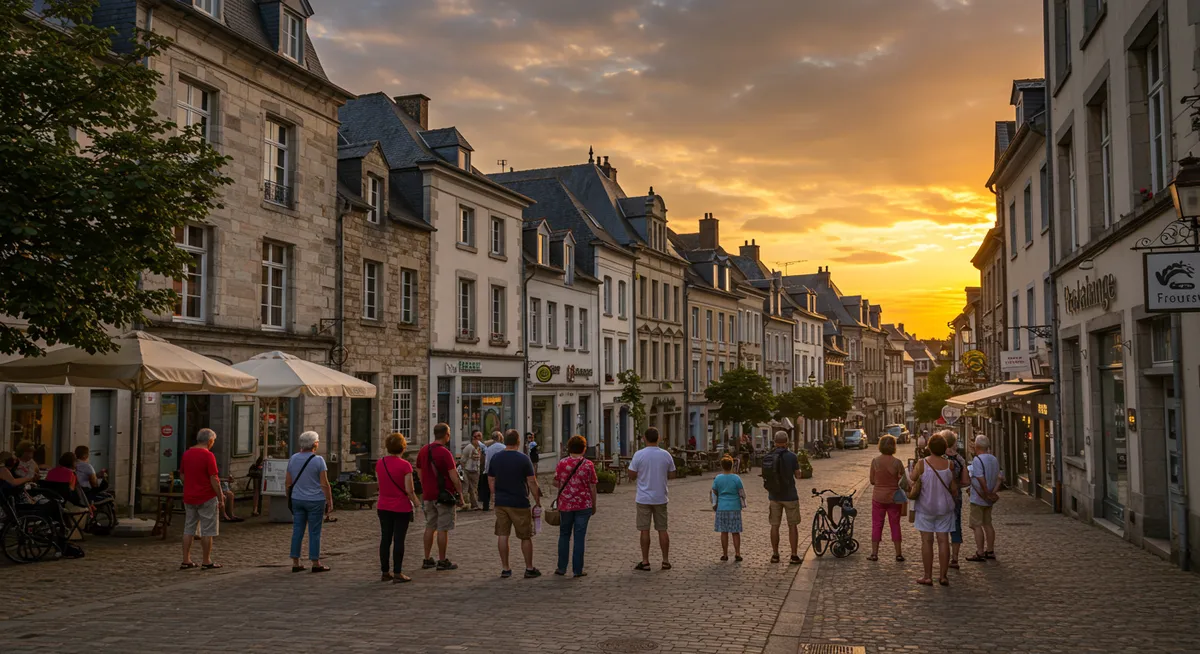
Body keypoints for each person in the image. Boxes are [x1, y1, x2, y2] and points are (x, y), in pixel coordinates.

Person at [489, 429, 543, 578]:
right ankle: (529, 568)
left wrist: (494, 495)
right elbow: (532, 482)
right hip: (519, 502)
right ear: (518, 442)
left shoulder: (496, 458)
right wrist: (537, 500)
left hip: (501, 502)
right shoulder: (523, 459)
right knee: (525, 536)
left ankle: (505, 568)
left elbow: (491, 479)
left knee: (502, 534)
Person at [909, 433, 956, 586]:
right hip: (944, 508)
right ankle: (943, 576)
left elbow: (912, 478)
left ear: (929, 447)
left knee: (927, 541)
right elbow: (953, 488)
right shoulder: (949, 465)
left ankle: (927, 576)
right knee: (943, 541)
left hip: (925, 507)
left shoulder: (922, 464)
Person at [418, 423, 464, 571]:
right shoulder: (445, 453)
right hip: (443, 495)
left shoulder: (424, 450)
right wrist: (460, 495)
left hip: (428, 494)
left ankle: (426, 558)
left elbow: (419, 470)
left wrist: (425, 484)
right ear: (446, 435)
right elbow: (454, 476)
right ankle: (442, 560)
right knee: (443, 528)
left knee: (430, 526)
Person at [628, 426, 675, 571]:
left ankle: (645, 561)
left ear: (644, 438)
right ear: (658, 438)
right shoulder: (665, 455)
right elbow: (673, 474)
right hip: (660, 497)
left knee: (644, 530)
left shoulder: (639, 455)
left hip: (643, 498)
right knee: (662, 529)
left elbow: (631, 474)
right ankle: (665, 560)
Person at [286, 431, 333, 573]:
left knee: (297, 530)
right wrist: (329, 500)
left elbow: (288, 482)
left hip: (297, 499)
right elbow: (324, 483)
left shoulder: (293, 459)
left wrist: (289, 497)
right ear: (315, 444)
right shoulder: (319, 460)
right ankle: (315, 561)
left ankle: (295, 561)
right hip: (315, 500)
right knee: (314, 532)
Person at [376, 433, 419, 583]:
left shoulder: (380, 462)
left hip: (383, 505)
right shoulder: (405, 465)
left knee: (385, 539)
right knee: (399, 539)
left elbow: (380, 483)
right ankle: (398, 572)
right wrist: (417, 502)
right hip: (401, 507)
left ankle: (384, 571)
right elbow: (409, 489)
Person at [180, 429, 224, 570]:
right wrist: (220, 496)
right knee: (207, 530)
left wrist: (190, 485)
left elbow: (182, 475)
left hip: (190, 496)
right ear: (209, 441)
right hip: (206, 496)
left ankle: (186, 560)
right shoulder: (208, 456)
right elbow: (214, 478)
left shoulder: (187, 454)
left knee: (189, 528)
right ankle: (206, 560)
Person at [553, 435, 597, 577]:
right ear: (584, 449)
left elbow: (556, 482)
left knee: (564, 535)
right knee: (579, 537)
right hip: (583, 504)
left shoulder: (562, 463)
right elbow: (592, 486)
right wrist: (594, 504)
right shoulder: (588, 464)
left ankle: (561, 567)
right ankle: (577, 569)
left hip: (565, 504)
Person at [763, 431, 803, 565]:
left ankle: (775, 555)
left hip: (774, 496)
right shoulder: (792, 456)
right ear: (787, 442)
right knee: (792, 526)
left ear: (775, 442)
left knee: (774, 526)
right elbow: (798, 475)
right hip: (790, 496)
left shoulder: (769, 456)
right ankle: (794, 555)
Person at [868, 434, 905, 562]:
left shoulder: (875, 462)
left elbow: (872, 481)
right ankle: (898, 553)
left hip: (878, 497)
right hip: (894, 497)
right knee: (895, 524)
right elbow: (903, 481)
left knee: (877, 524)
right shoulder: (897, 463)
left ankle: (874, 553)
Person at [966, 434, 1001, 562]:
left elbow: (980, 478)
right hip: (988, 499)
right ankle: (990, 550)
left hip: (979, 498)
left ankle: (980, 552)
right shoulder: (994, 459)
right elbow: (999, 477)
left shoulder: (978, 460)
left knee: (976, 525)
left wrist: (986, 493)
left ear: (977, 446)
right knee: (988, 524)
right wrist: (992, 493)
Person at [711, 456, 746, 562]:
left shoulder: (718, 478)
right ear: (732, 466)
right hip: (734, 507)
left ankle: (725, 554)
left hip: (722, 507)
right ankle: (737, 553)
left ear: (722, 466)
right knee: (735, 532)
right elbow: (742, 493)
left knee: (724, 532)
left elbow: (714, 491)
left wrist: (714, 503)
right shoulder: (736, 478)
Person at [943, 431, 970, 568]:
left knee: (941, 528)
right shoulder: (960, 459)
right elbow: (966, 482)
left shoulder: (939, 457)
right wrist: (957, 483)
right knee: (956, 525)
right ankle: (954, 559)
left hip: (940, 496)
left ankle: (943, 557)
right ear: (954, 442)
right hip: (956, 497)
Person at [480, 431, 505, 511]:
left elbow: (487, 461)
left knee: (486, 489)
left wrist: (485, 470)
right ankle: (500, 504)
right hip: (501, 471)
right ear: (500, 438)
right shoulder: (504, 447)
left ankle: (486, 506)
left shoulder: (489, 449)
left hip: (490, 470)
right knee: (500, 488)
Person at [459, 431, 483, 511]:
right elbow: (462, 460)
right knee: (465, 488)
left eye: (480, 436)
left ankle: (474, 504)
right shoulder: (469, 447)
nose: (479, 438)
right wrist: (463, 470)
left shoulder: (480, 447)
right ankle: (464, 504)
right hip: (466, 470)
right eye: (477, 436)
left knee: (473, 489)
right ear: (473, 438)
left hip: (475, 471)